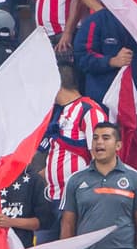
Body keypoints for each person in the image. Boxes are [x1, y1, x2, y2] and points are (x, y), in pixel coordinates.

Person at [59, 122, 137, 249]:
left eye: (106, 138)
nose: (99, 142)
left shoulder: (135, 178)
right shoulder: (75, 180)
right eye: (95, 138)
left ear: (118, 145)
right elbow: (67, 224)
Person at [43, 62, 106, 239]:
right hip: (53, 197)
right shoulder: (60, 112)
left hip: (77, 199)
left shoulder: (89, 110)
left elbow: (101, 157)